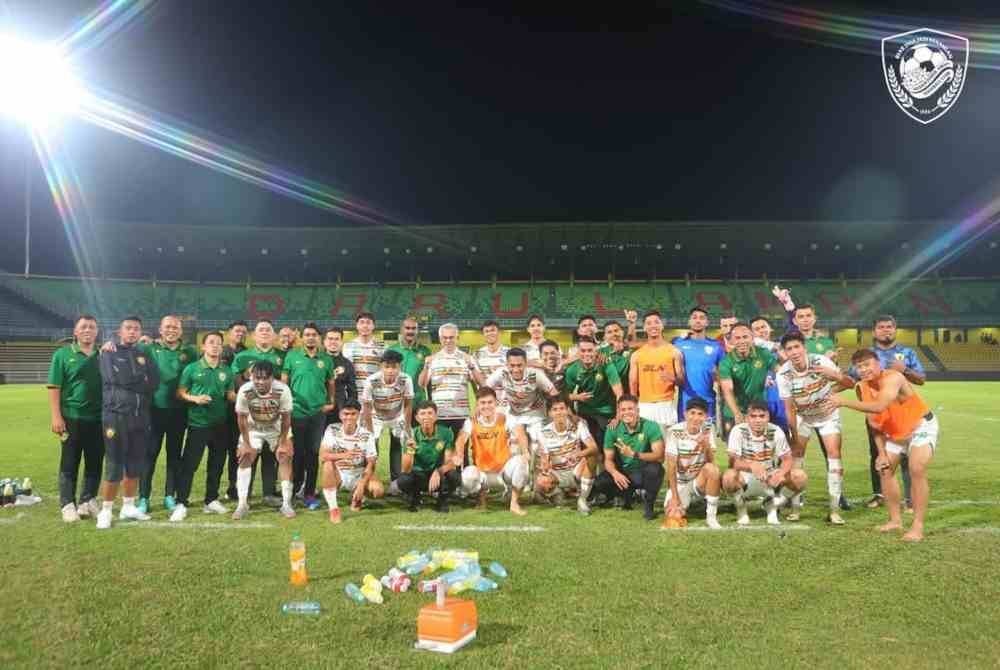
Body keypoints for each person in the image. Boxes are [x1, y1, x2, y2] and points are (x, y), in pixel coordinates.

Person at [831, 349, 938, 542]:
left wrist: (843, 402)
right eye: (859, 366)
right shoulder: (861, 387)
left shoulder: (893, 378)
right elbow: (874, 421)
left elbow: (880, 405)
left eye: (867, 364)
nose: (863, 369)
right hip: (896, 434)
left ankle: (917, 526)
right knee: (884, 469)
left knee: (916, 467)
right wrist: (880, 453)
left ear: (878, 363)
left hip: (920, 426)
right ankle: (895, 521)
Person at [848, 315, 926, 511]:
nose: (886, 330)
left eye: (889, 327)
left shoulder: (906, 352)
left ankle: (910, 499)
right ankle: (879, 494)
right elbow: (850, 379)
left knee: (908, 455)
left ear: (895, 329)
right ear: (874, 331)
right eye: (881, 327)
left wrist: (905, 369)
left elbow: (921, 379)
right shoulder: (867, 355)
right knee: (877, 452)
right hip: (875, 412)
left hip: (902, 414)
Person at [776, 332, 855, 525]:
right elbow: (788, 409)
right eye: (789, 349)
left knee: (834, 454)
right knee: (796, 457)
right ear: (784, 353)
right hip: (804, 417)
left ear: (804, 347)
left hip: (827, 415)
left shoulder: (821, 361)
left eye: (797, 347)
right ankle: (795, 509)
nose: (794, 352)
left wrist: (834, 375)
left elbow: (850, 384)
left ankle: (834, 510)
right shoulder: (783, 374)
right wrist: (793, 437)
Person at [95, 316, 161, 529]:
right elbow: (117, 380)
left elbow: (155, 382)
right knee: (114, 464)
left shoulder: (144, 354)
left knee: (135, 463)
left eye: (136, 329)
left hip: (140, 415)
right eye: (128, 328)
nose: (132, 332)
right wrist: (139, 380)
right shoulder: (108, 352)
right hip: (115, 416)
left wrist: (139, 380)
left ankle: (128, 506)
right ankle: (105, 511)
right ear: (119, 331)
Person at [172, 331, 235, 522]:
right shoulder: (192, 368)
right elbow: (180, 393)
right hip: (198, 424)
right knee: (190, 465)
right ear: (203, 347)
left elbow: (230, 394)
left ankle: (211, 499)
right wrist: (195, 398)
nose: (215, 346)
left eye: (218, 343)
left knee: (216, 464)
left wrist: (245, 394)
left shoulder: (227, 371)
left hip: (220, 424)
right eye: (211, 342)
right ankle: (181, 502)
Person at [139, 315, 198, 514]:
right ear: (160, 329)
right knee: (149, 455)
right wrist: (109, 345)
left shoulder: (190, 351)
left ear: (181, 331)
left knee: (174, 456)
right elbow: (128, 350)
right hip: (154, 411)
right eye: (167, 327)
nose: (171, 330)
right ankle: (143, 497)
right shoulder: (149, 348)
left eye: (175, 327)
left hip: (179, 412)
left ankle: (169, 496)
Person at [48, 315, 103, 523]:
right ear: (75, 331)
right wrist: (56, 416)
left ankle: (87, 501)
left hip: (98, 419)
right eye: (83, 327)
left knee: (95, 462)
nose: (88, 330)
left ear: (97, 332)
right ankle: (67, 504)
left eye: (92, 327)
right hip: (71, 417)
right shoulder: (62, 355)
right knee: (70, 462)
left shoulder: (103, 356)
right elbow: (54, 387)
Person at [722, 401, 807, 526]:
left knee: (800, 476)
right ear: (747, 418)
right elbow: (732, 462)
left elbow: (787, 459)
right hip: (745, 478)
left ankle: (773, 504)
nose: (758, 420)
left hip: (769, 477)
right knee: (728, 477)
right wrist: (751, 465)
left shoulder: (776, 430)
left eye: (762, 416)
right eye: (753, 416)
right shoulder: (738, 430)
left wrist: (780, 474)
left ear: (768, 417)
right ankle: (741, 509)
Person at [282, 322, 336, 511]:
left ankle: (309, 493)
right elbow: (284, 383)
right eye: (307, 334)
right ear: (302, 337)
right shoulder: (292, 356)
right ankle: (294, 490)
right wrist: (285, 405)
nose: (310, 337)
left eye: (314, 334)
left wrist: (330, 402)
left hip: (317, 413)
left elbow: (330, 382)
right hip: (296, 412)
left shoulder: (326, 359)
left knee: (313, 454)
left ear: (318, 337)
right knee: (297, 453)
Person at [232, 360, 295, 519]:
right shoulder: (245, 390)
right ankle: (242, 504)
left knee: (285, 457)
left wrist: (283, 443)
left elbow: (286, 419)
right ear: (251, 377)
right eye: (256, 378)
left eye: (264, 378)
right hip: (254, 428)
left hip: (276, 427)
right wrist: (246, 444)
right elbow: (241, 419)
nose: (259, 382)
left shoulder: (282, 389)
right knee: (245, 456)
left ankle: (286, 504)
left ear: (271, 378)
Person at [231, 320, 284, 505]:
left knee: (270, 455)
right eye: (260, 329)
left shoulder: (281, 357)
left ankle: (268, 493)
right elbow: (236, 380)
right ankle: (244, 494)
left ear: (274, 335)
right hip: (249, 413)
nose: (264, 332)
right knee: (248, 452)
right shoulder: (243, 356)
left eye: (268, 330)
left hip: (272, 415)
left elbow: (283, 384)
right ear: (253, 335)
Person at [456, 387, 530, 516]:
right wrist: (459, 455)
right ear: (477, 405)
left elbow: (521, 434)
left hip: (503, 473)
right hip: (483, 473)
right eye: (482, 403)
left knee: (522, 462)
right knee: (467, 477)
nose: (486, 406)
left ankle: (514, 503)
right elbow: (461, 439)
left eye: (490, 402)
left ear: (496, 403)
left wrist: (525, 452)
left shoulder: (505, 418)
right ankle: (481, 499)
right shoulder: (471, 422)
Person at [592, 394, 665, 520]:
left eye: (630, 409)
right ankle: (623, 496)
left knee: (656, 469)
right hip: (624, 473)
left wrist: (634, 454)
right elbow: (608, 460)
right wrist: (615, 473)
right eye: (623, 410)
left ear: (637, 410)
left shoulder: (651, 426)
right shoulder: (612, 429)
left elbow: (660, 457)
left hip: (642, 472)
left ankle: (649, 506)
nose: (627, 413)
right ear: (618, 412)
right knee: (600, 483)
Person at [529, 394, 599, 515]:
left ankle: (582, 500)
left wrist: (579, 454)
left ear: (567, 410)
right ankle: (555, 492)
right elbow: (545, 457)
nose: (559, 412)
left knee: (592, 456)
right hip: (557, 473)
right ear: (549, 413)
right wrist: (545, 465)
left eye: (562, 408)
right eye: (555, 410)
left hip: (576, 470)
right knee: (542, 481)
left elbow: (594, 447)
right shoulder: (543, 432)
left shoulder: (578, 425)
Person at [318, 400, 382, 523]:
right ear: (340, 415)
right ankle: (334, 509)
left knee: (377, 490)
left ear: (359, 415)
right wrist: (344, 455)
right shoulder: (332, 429)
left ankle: (357, 497)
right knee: (327, 464)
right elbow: (323, 455)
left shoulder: (367, 435)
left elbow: (371, 463)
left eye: (353, 414)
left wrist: (362, 485)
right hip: (338, 474)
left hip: (358, 474)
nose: (349, 417)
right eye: (346, 414)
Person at [662, 398, 722, 529]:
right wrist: (675, 497)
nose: (696, 418)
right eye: (692, 413)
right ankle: (690, 502)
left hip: (698, 480)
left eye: (700, 414)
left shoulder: (708, 428)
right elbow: (671, 467)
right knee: (674, 516)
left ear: (706, 416)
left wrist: (705, 445)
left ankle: (711, 518)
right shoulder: (674, 431)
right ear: (685, 414)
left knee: (713, 470)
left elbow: (712, 462)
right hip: (680, 482)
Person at [360, 350, 414, 491]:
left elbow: (408, 404)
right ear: (381, 367)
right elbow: (366, 406)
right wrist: (370, 430)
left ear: (399, 367)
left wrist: (407, 426)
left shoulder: (406, 379)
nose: (390, 370)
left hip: (396, 415)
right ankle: (369, 479)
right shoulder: (371, 380)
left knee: (397, 444)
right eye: (387, 367)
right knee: (372, 447)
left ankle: (395, 482)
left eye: (394, 367)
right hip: (375, 416)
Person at [419, 322, 483, 438]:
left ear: (457, 338)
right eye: (445, 338)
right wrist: (426, 366)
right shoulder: (432, 359)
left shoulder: (467, 358)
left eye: (451, 337)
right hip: (439, 415)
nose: (448, 341)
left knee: (461, 452)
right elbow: (422, 384)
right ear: (440, 339)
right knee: (440, 452)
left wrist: (472, 367)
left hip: (461, 414)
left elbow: (481, 383)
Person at [398, 401, 461, 513]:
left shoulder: (446, 433)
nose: (426, 417)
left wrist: (438, 471)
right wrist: (410, 450)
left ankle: (443, 500)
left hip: (437, 476)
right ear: (417, 418)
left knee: (454, 476)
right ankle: (415, 497)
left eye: (430, 413)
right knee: (403, 480)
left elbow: (450, 463)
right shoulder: (411, 435)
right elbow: (405, 470)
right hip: (419, 476)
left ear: (436, 416)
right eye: (422, 414)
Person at [719, 323, 779, 440]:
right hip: (733, 411)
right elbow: (727, 390)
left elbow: (780, 371)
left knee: (762, 448)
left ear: (752, 338)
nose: (742, 341)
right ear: (731, 340)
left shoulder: (763, 354)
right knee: (735, 453)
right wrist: (737, 413)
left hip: (758, 412)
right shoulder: (726, 362)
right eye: (737, 338)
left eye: (745, 337)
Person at [629, 310, 685, 432]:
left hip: (667, 405)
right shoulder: (637, 355)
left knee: (668, 447)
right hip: (644, 406)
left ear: (662, 325)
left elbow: (682, 380)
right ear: (644, 327)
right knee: (646, 447)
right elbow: (633, 384)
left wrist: (673, 378)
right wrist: (634, 407)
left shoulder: (674, 352)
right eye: (649, 323)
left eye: (656, 322)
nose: (653, 325)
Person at [563, 335, 623, 448]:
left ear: (596, 350)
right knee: (588, 448)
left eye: (590, 350)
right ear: (578, 352)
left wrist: (618, 416)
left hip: (606, 412)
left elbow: (619, 392)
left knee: (608, 448)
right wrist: (576, 399)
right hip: (585, 413)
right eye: (583, 351)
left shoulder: (606, 363)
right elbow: (565, 396)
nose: (587, 354)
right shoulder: (572, 370)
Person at [484, 347, 558, 436]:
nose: (516, 370)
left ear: (526, 364)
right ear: (507, 364)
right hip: (513, 412)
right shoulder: (501, 373)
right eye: (512, 365)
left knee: (535, 440)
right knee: (510, 440)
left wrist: (556, 413)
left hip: (535, 413)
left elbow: (554, 394)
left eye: (519, 365)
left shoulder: (536, 374)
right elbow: (484, 390)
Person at [672, 308, 725, 422]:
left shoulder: (716, 346)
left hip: (707, 401)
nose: (698, 320)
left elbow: (724, 374)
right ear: (689, 321)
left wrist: (717, 377)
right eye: (694, 317)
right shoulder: (677, 343)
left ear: (707, 322)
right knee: (685, 438)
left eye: (702, 318)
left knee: (707, 437)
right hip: (684, 401)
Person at [221, 320, 248, 503]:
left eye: (243, 332)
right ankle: (214, 490)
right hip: (222, 407)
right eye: (237, 331)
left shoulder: (247, 353)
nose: (240, 334)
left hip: (239, 407)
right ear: (229, 332)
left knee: (235, 449)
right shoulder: (222, 351)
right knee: (219, 450)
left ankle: (234, 486)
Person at [387, 315, 432, 404]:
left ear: (417, 330)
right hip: (397, 401)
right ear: (401, 330)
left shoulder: (425, 351)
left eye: (414, 328)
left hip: (418, 402)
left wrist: (430, 400)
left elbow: (430, 381)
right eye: (407, 328)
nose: (411, 331)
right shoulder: (391, 350)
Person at [324, 327, 358, 426]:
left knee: (337, 440)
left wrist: (351, 409)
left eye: (336, 339)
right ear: (325, 341)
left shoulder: (347, 364)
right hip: (318, 408)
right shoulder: (315, 361)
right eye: (330, 339)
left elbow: (352, 390)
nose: (333, 342)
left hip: (339, 410)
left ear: (341, 342)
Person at [473, 320, 509, 403]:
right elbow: (476, 382)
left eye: (492, 330)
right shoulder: (477, 355)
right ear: (483, 334)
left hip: (506, 402)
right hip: (486, 403)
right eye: (486, 331)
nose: (489, 333)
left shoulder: (509, 353)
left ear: (499, 332)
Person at [342, 311, 383, 384]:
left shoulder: (382, 347)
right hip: (354, 391)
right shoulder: (347, 346)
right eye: (362, 322)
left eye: (368, 322)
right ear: (357, 325)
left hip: (375, 392)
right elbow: (346, 371)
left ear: (373, 326)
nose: (365, 326)